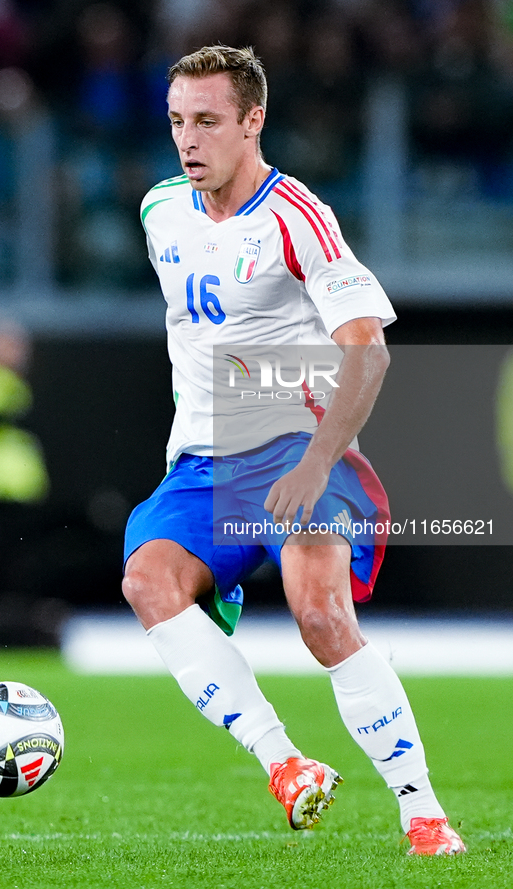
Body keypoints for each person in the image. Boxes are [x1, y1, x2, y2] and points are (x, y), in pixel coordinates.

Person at [122, 45, 465, 856]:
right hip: (203, 466)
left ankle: (423, 813)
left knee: (318, 616)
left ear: (252, 121)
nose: (188, 139)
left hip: (293, 452)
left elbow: (367, 349)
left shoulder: (295, 215)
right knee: (146, 580)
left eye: (207, 121)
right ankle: (285, 765)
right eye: (177, 121)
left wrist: (316, 460)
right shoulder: (158, 212)